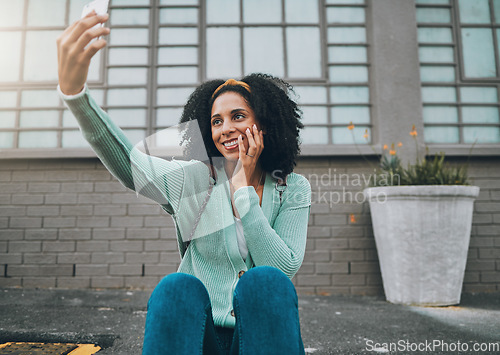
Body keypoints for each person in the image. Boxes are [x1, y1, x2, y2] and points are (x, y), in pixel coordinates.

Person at [57, 11, 311, 355]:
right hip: (200, 337)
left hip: (256, 340)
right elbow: (127, 163)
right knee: (176, 287)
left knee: (265, 283)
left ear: (264, 124)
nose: (226, 129)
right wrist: (76, 94)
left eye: (238, 116)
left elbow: (282, 269)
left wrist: (242, 193)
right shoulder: (194, 179)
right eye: (216, 121)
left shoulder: (291, 188)